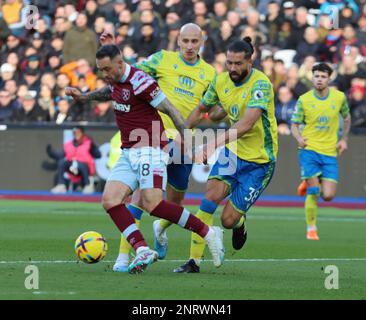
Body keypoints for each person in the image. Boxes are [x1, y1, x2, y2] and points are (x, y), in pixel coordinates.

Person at [65, 44, 224, 274]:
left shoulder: (142, 82)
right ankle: (142, 249)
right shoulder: (116, 80)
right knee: (110, 200)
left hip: (151, 148)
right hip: (129, 150)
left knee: (153, 204)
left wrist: (188, 143)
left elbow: (170, 110)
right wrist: (83, 97)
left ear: (120, 64)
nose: (104, 74)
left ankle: (208, 232)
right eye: (101, 70)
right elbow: (108, 92)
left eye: (107, 69)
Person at [99, 23, 216, 272]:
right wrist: (113, 46)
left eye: (195, 41)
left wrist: (218, 109)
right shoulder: (163, 59)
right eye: (185, 41)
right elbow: (130, 73)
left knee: (172, 203)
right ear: (178, 40)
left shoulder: (210, 73)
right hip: (153, 136)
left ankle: (160, 230)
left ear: (202, 41)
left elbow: (215, 109)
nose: (189, 46)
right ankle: (124, 256)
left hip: (184, 140)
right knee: (140, 198)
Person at [173, 37, 278, 273]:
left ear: (250, 61)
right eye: (229, 63)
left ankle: (239, 224)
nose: (232, 68)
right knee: (209, 197)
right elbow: (202, 109)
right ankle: (194, 261)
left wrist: (211, 145)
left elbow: (246, 124)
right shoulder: (221, 81)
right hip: (232, 153)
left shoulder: (261, 84)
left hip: (259, 162)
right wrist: (181, 135)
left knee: (227, 220)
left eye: (238, 63)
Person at [291, 63, 351, 241]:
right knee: (314, 191)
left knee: (329, 196)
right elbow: (294, 125)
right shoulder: (304, 99)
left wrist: (344, 140)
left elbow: (347, 118)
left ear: (329, 79)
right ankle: (311, 229)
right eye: (316, 76)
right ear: (312, 77)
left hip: (330, 152)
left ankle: (306, 182)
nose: (319, 79)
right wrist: (299, 139)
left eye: (323, 76)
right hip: (309, 150)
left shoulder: (339, 98)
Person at [50, 126, 101, 194]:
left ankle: (87, 185)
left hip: (85, 169)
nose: (76, 134)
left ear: (82, 133)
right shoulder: (68, 144)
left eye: (78, 132)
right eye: (74, 133)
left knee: (82, 165)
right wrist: (50, 152)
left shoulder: (88, 143)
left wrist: (93, 146)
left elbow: (98, 155)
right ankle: (61, 185)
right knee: (62, 163)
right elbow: (59, 155)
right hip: (72, 169)